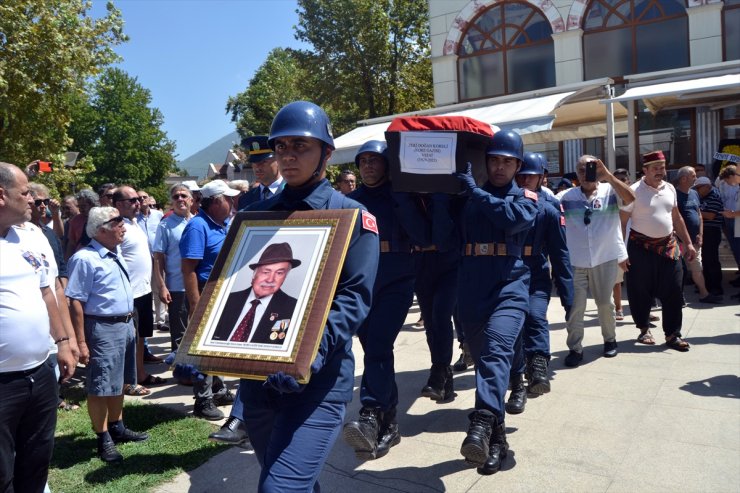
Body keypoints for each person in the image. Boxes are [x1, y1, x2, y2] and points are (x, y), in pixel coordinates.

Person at [237, 101, 379, 491]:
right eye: (281, 147)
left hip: (319, 381)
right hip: (258, 383)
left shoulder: (352, 214)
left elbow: (354, 299)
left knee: (279, 489)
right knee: (289, 481)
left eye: (300, 145)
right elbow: (233, 291)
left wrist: (309, 353)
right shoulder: (257, 215)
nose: (288, 155)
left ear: (326, 154)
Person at [454, 130, 537, 475]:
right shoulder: (468, 195)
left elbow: (510, 219)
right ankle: (498, 440)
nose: (500, 166)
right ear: (485, 162)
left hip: (510, 286)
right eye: (494, 160)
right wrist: (442, 196)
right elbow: (443, 236)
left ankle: (482, 421)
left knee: (495, 352)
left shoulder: (527, 198)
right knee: (486, 362)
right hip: (471, 287)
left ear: (517, 165)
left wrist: (473, 192)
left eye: (507, 161)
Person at [342, 140, 427, 460]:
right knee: (376, 349)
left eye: (374, 160)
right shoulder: (350, 201)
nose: (367, 166)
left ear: (388, 165)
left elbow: (422, 236)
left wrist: (402, 199)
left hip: (397, 281)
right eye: (362, 161)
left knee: (378, 343)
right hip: (363, 284)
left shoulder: (403, 197)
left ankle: (371, 413)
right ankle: (389, 423)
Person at [0, 162, 76, 491]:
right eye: (25, 192)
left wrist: (62, 341)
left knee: (36, 460)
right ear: (1, 196)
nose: (32, 199)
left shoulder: (28, 236)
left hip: (40, 373)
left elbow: (48, 293)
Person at [66, 206, 150, 462]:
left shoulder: (115, 253)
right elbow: (75, 302)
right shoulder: (85, 259)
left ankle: (117, 427)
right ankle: (102, 438)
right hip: (102, 328)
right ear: (101, 230)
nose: (123, 226)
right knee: (101, 385)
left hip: (124, 325)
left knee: (118, 381)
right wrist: (81, 341)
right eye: (118, 222)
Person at [505, 152, 573, 414]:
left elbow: (560, 253)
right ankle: (517, 380)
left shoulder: (550, 208)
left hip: (535, 271)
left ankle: (538, 367)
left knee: (535, 316)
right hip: (508, 271)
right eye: (520, 175)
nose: (524, 181)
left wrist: (568, 296)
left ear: (541, 177)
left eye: (530, 176)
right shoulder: (504, 201)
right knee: (514, 328)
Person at [560, 155, 635, 367]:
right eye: (581, 170)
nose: (586, 174)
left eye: (590, 169)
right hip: (575, 261)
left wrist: (609, 176)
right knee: (576, 307)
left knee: (605, 304)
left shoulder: (611, 191)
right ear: (576, 174)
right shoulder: (566, 197)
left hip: (604, 258)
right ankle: (575, 348)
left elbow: (631, 199)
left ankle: (610, 340)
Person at [621, 151, 696, 351]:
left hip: (669, 247)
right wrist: (621, 252)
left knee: (673, 289)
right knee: (640, 291)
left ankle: (673, 334)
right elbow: (622, 222)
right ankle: (644, 329)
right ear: (644, 170)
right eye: (655, 168)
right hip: (640, 247)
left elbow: (677, 217)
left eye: (662, 168)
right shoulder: (633, 190)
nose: (660, 172)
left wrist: (688, 243)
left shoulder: (670, 188)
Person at [180, 179, 240, 420]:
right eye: (229, 199)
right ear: (217, 202)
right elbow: (188, 269)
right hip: (204, 291)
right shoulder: (198, 227)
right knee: (203, 349)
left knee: (217, 344)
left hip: (220, 291)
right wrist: (195, 303)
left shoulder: (220, 224)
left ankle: (219, 388)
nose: (233, 203)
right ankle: (203, 400)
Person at [112, 186, 163, 392]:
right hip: (127, 294)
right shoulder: (116, 227)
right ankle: (127, 381)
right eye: (132, 200)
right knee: (128, 340)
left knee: (141, 336)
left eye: (138, 199)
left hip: (143, 291)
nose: (138, 203)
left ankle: (139, 374)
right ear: (118, 204)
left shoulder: (135, 223)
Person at [211, 243, 299, 344]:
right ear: (254, 274)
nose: (270, 279)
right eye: (266, 272)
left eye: (279, 273)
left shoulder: (294, 309)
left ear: (285, 277)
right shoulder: (225, 300)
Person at [153, 184, 193, 353]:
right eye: (176, 197)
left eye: (183, 196)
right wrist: (162, 286)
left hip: (199, 284)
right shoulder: (165, 225)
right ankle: (180, 368)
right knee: (179, 331)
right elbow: (158, 258)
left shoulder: (198, 221)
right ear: (171, 202)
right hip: (177, 286)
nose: (180, 199)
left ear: (191, 199)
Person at [675, 166, 722, 303]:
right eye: (693, 176)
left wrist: (700, 234)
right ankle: (678, 296)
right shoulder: (674, 195)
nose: (696, 179)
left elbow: (699, 215)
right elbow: (673, 218)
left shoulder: (694, 193)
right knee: (679, 270)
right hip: (680, 240)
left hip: (695, 241)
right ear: (684, 178)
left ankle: (704, 294)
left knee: (697, 268)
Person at [695, 176, 725, 295]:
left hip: (712, 232)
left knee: (711, 260)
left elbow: (711, 215)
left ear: (707, 186)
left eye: (698, 188)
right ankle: (706, 285)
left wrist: (695, 212)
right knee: (705, 260)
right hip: (703, 232)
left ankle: (716, 287)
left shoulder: (714, 196)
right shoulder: (701, 197)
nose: (697, 190)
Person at [238, 135, 284, 209]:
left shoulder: (295, 193)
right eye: (254, 162)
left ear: (278, 160)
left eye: (264, 161)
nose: (258, 167)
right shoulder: (245, 200)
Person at [612, 168, 631, 320]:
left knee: (640, 280)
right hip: (618, 246)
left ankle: (644, 310)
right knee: (617, 280)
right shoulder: (610, 198)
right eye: (615, 179)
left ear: (628, 181)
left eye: (622, 179)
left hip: (636, 244)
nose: (619, 182)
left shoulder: (636, 196)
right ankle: (618, 308)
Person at [717, 165, 740, 274]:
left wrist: (734, 214)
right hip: (727, 219)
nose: (726, 182)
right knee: (735, 248)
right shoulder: (721, 182)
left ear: (733, 176)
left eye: (727, 180)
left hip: (737, 220)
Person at [64, 188, 99, 260]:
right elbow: (71, 244)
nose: (81, 209)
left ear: (92, 204)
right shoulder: (76, 220)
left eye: (83, 206)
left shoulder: (101, 217)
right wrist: (67, 261)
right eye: (79, 207)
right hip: (80, 257)